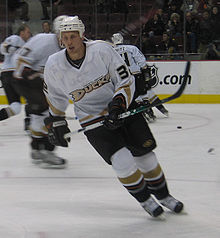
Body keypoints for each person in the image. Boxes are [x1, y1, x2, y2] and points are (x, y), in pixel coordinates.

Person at [43, 16, 184, 218]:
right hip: (91, 117)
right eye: (65, 37)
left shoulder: (101, 50)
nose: (69, 41)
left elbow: (125, 79)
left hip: (122, 106)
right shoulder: (54, 65)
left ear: (82, 36)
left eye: (73, 36)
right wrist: (56, 121)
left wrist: (118, 105)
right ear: (60, 40)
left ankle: (164, 196)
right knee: (121, 161)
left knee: (146, 158)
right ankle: (145, 200)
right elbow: (54, 97)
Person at [13, 15, 67, 169]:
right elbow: (21, 67)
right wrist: (37, 77)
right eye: (64, 34)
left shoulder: (70, 46)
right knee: (49, 114)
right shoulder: (43, 41)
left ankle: (37, 149)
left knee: (43, 115)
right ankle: (46, 150)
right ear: (57, 32)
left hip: (41, 82)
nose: (69, 39)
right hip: (26, 81)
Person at [111, 32, 169, 122]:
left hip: (123, 77)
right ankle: (155, 110)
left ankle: (146, 112)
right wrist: (145, 71)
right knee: (145, 92)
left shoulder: (111, 52)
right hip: (136, 74)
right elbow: (141, 61)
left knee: (135, 96)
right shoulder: (131, 48)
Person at [0, 23, 31, 129]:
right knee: (31, 97)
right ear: (21, 32)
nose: (29, 34)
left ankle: (29, 121)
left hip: (11, 75)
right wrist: (10, 48)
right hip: (12, 74)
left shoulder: (26, 44)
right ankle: (29, 121)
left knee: (16, 107)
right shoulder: (16, 38)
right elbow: (3, 47)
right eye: (27, 32)